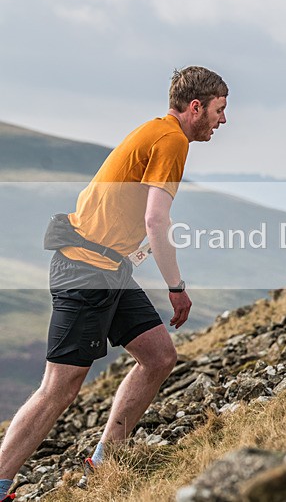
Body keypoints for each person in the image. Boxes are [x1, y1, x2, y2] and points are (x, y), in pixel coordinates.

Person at [0, 66, 228, 498]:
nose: (223, 120)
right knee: (59, 388)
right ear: (195, 107)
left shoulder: (160, 131)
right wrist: (176, 287)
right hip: (86, 271)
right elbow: (156, 220)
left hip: (108, 270)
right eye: (219, 110)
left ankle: (107, 458)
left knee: (159, 356)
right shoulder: (172, 140)